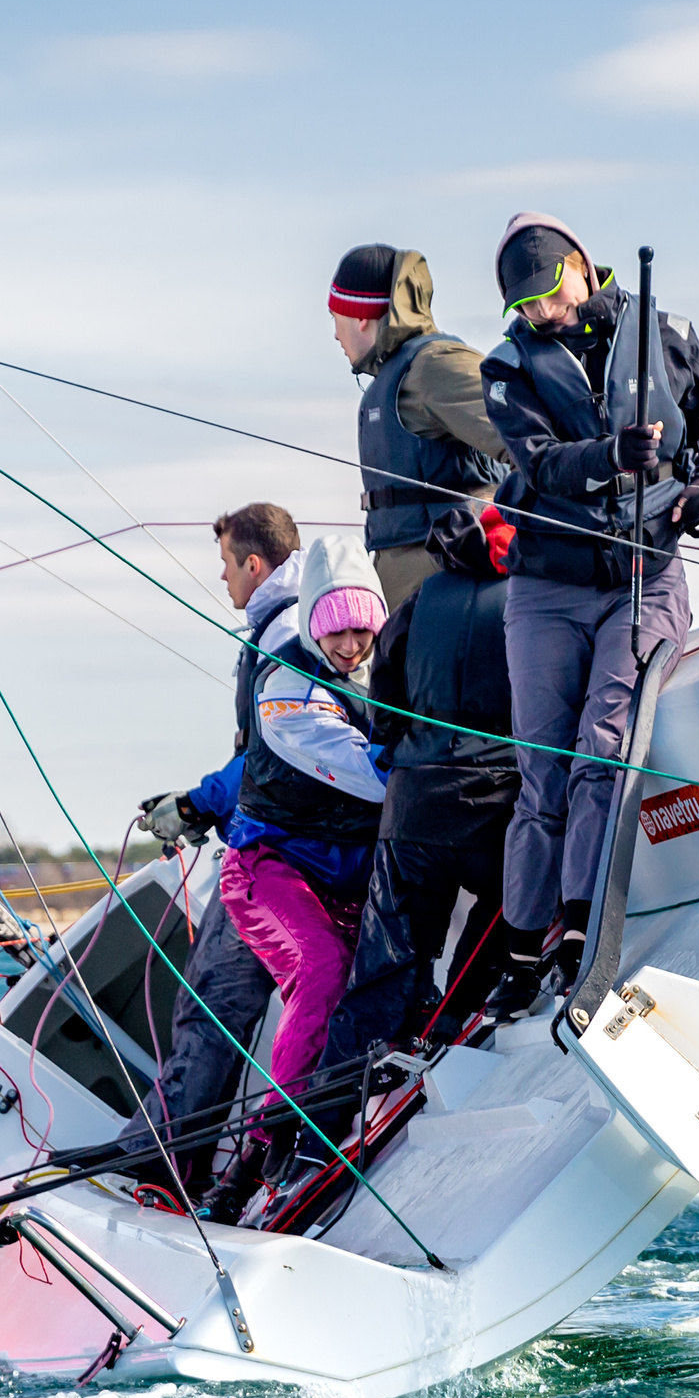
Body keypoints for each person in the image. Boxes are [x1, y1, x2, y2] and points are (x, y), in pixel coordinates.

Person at [478, 213, 699, 1017]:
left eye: (547, 295)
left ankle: (585, 936)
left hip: (645, 577)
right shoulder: (508, 367)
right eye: (523, 307)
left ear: (579, 269)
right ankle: (524, 950)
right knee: (541, 769)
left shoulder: (667, 332)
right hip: (547, 590)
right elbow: (542, 464)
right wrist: (609, 457)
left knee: (603, 748)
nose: (539, 315)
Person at [302, 502, 521, 1154]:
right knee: (513, 906)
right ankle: (448, 1020)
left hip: (412, 812)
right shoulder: (529, 602)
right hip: (493, 812)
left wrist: (406, 751)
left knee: (380, 973)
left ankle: (311, 1138)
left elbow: (384, 708)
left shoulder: (419, 600)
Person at [120, 502, 302, 1204]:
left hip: (274, 856)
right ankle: (180, 1160)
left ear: (254, 565)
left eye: (226, 564)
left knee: (211, 1006)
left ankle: (160, 1165)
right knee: (222, 1008)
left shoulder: (282, 639)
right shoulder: (303, 623)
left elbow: (270, 757)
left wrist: (196, 806)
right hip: (283, 846)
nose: (221, 577)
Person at [215, 533, 388, 1190]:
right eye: (335, 632)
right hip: (270, 867)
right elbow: (369, 774)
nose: (349, 647)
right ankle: (265, 1140)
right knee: (322, 965)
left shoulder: (382, 666)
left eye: (362, 631)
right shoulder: (285, 684)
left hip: (349, 869)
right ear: (313, 622)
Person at [329, 244, 510, 611]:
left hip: (449, 585)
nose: (335, 334)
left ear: (359, 317)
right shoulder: (394, 378)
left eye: (335, 317)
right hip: (407, 587)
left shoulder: (433, 366)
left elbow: (527, 442)